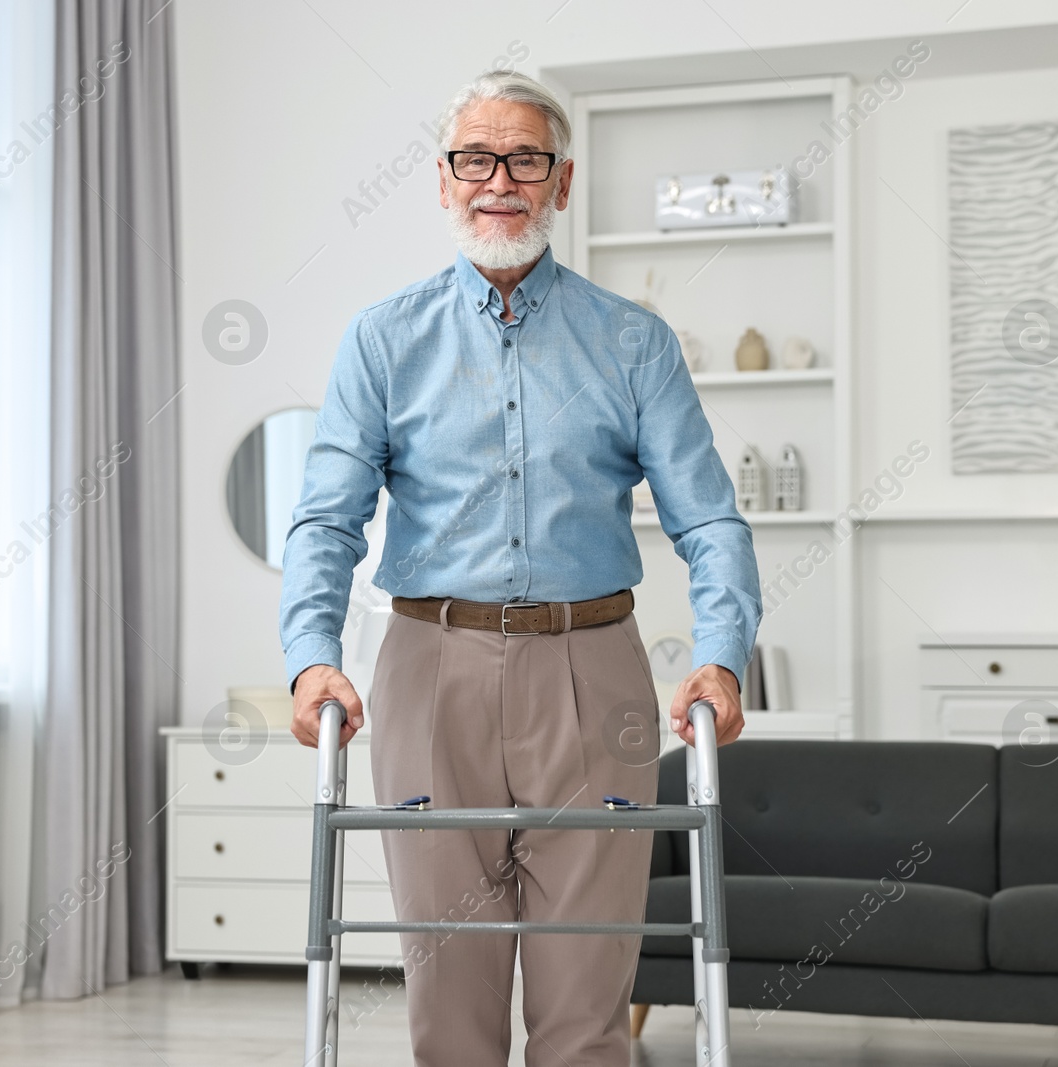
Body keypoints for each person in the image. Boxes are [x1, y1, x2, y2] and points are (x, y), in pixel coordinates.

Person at [279, 69, 761, 1067]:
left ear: (562, 182)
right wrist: (309, 654)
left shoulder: (634, 342)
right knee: (445, 995)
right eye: (475, 159)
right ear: (444, 181)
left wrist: (721, 653)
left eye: (526, 159)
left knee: (584, 999)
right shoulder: (382, 339)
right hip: (427, 666)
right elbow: (327, 518)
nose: (499, 180)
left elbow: (708, 517)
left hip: (593, 672)